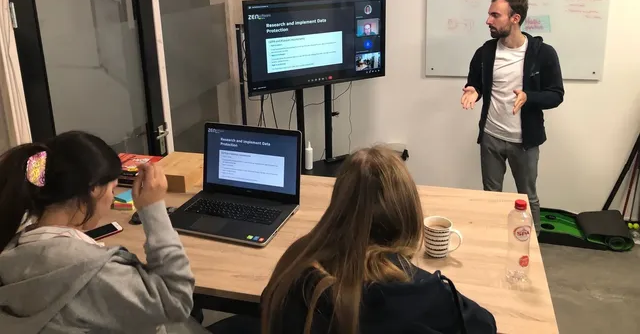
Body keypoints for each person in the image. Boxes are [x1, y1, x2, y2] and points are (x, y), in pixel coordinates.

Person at [261, 146, 497, 334]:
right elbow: (485, 325)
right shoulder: (422, 291)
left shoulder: (296, 260)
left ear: (339, 204)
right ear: (408, 212)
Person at [0, 131, 209, 334]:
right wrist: (153, 209)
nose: (111, 201)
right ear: (94, 189)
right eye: (112, 190)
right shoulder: (91, 272)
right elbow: (177, 301)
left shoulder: (13, 251)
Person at [461, 0, 564, 234]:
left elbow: (556, 94)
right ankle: (492, 240)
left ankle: (532, 244)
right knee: (491, 196)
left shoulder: (543, 53)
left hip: (524, 142)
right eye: (489, 14)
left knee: (528, 197)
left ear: (515, 18)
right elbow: (475, 83)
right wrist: (473, 91)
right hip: (491, 137)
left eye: (495, 15)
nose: (488, 20)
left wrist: (530, 97)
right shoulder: (485, 52)